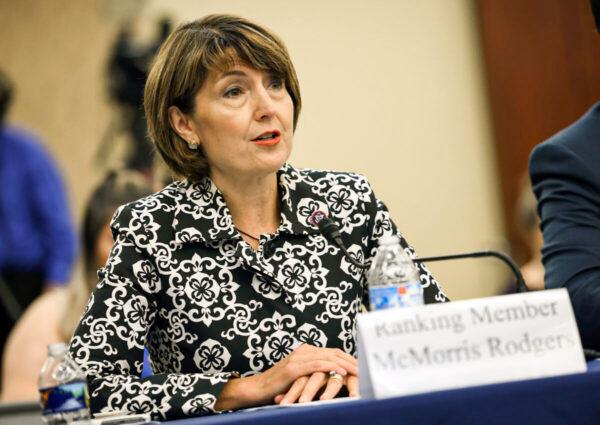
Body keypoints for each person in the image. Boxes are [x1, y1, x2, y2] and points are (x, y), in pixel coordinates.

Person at [68, 14, 448, 420]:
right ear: (184, 123)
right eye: (235, 91)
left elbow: (440, 338)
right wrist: (251, 386)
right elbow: (81, 389)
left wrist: (361, 374)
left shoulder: (346, 203)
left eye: (275, 85)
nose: (267, 108)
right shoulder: (154, 230)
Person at [0, 170, 154, 401]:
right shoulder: (51, 316)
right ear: (92, 248)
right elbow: (21, 413)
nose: (130, 253)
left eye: (144, 237)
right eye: (116, 239)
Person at [0, 69, 77, 376]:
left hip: (28, 282)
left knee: (35, 371)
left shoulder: (28, 153)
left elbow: (59, 226)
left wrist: (53, 291)